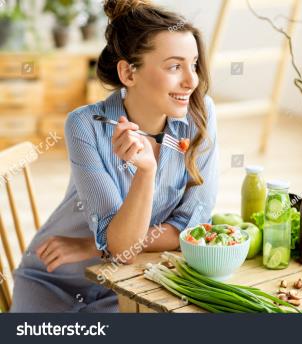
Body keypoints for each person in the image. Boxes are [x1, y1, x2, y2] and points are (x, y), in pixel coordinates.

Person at [11, 0, 218, 312]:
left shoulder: (200, 117)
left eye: (193, 64)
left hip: (130, 280)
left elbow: (190, 226)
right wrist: (145, 174)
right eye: (175, 66)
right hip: (54, 279)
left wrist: (95, 245)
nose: (192, 81)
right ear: (128, 73)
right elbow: (123, 247)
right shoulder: (85, 125)